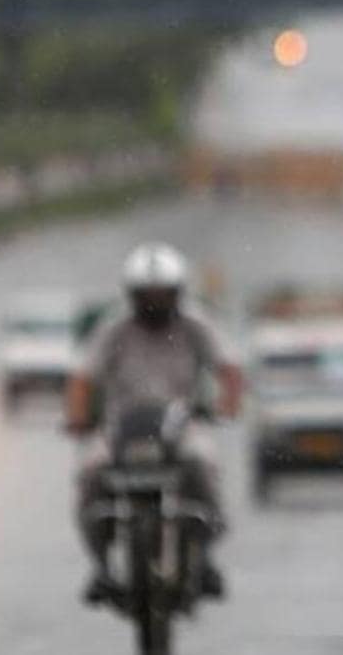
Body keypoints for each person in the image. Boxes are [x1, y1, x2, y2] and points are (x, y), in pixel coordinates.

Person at [64, 242, 243, 603]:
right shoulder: (114, 328)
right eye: (147, 295)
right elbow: (82, 377)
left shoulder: (195, 326)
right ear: (131, 294)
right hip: (121, 424)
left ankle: (204, 558)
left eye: (163, 294)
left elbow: (229, 367)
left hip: (183, 422)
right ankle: (101, 566)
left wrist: (227, 405)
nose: (155, 302)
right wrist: (79, 417)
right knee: (91, 473)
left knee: (204, 466)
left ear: (178, 292)